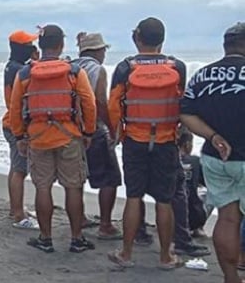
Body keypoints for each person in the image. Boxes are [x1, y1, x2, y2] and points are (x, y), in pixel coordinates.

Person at [9, 24, 98, 254]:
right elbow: (89, 103)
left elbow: (15, 108)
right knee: (74, 187)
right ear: (60, 45)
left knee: (43, 188)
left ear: (40, 45)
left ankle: (45, 238)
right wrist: (88, 132)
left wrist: (19, 136)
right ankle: (77, 239)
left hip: (38, 138)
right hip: (70, 136)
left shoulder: (25, 74)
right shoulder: (74, 71)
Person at [108, 17, 186, 270]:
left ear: (137, 39)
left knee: (133, 196)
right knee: (164, 200)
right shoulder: (178, 67)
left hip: (135, 140)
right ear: (162, 41)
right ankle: (165, 257)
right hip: (166, 140)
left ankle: (126, 254)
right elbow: (183, 104)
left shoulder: (125, 67)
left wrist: (117, 134)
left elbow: (114, 106)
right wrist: (184, 135)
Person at [180, 22, 245, 283]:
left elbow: (185, 113)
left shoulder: (203, 75)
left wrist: (213, 136)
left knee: (227, 218)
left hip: (215, 157)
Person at [72, 32, 123, 240]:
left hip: (71, 130)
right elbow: (100, 102)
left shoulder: (71, 66)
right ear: (97, 51)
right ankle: (105, 225)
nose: (104, 54)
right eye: (103, 50)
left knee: (76, 178)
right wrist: (112, 129)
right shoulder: (97, 70)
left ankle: (80, 218)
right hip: (94, 129)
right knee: (109, 178)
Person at [3, 30, 40, 230]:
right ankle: (18, 215)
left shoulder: (13, 66)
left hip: (10, 122)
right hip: (16, 125)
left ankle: (15, 208)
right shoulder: (20, 70)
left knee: (16, 168)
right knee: (19, 170)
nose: (34, 48)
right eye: (30, 45)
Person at [171, 128, 210, 257]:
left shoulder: (168, 160)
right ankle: (198, 228)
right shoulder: (195, 161)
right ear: (187, 145)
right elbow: (207, 183)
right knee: (207, 193)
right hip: (194, 217)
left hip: (170, 217)